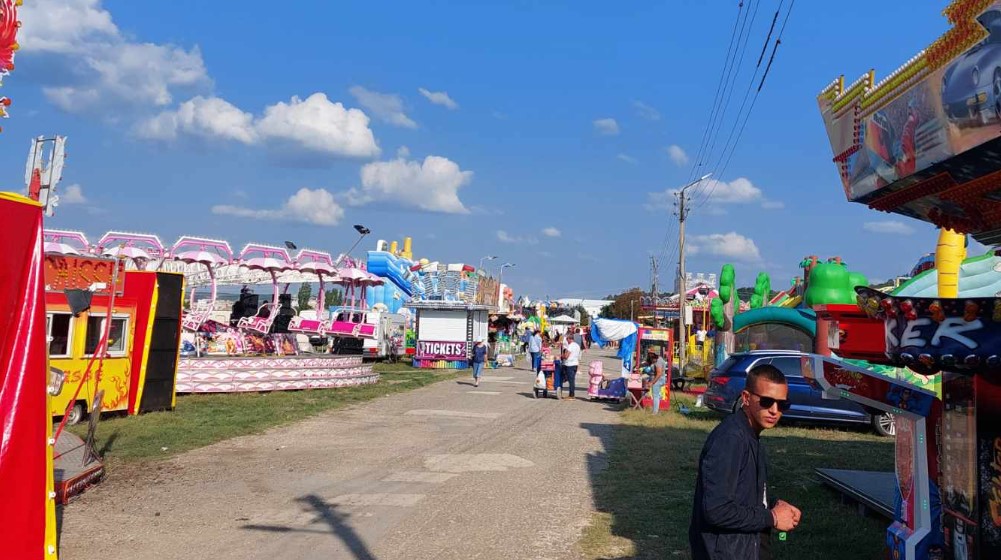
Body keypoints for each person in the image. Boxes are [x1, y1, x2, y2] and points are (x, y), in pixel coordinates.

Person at [689, 364, 801, 560]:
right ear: (746, 398)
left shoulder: (751, 434)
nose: (774, 410)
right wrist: (772, 517)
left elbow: (743, 492)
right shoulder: (730, 439)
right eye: (767, 401)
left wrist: (773, 504)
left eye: (782, 404)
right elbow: (716, 510)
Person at [646, 347, 669, 414]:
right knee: (656, 395)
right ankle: (656, 409)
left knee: (655, 396)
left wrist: (652, 382)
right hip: (657, 378)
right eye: (649, 353)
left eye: (651, 353)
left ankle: (655, 412)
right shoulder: (654, 359)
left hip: (659, 379)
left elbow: (659, 374)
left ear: (654, 353)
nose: (649, 354)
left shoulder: (658, 361)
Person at [561, 332, 582, 400]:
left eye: (567, 339)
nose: (566, 341)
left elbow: (566, 356)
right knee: (572, 380)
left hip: (569, 364)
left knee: (571, 380)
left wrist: (562, 356)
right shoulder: (577, 345)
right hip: (575, 364)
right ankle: (571, 394)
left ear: (569, 339)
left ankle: (571, 395)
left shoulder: (570, 346)